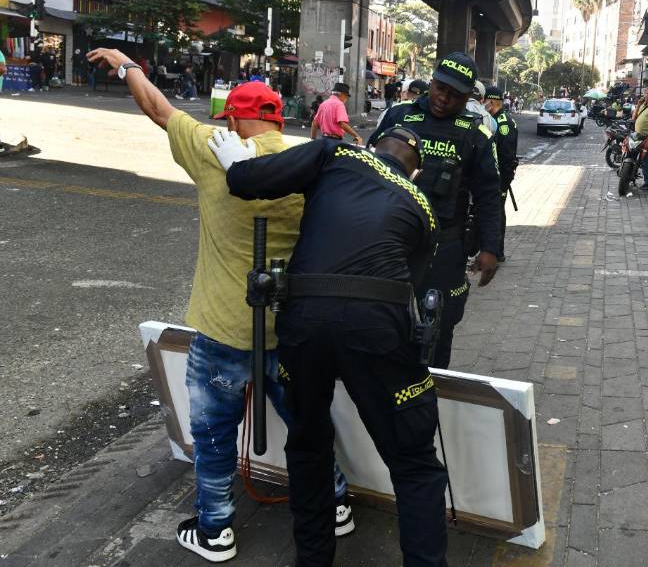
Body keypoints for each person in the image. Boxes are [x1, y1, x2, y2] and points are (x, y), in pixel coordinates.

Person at [84, 48, 350, 563]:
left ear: (231, 116)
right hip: (291, 331)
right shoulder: (310, 161)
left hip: (223, 331)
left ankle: (216, 530)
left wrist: (127, 64)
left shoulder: (213, 147)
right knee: (308, 425)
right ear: (278, 116)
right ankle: (335, 503)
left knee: (212, 435)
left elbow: (158, 108)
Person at [209, 125, 447, 567]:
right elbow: (410, 286)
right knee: (414, 464)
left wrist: (234, 166)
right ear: (415, 173)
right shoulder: (423, 208)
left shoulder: (336, 154)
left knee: (308, 445)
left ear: (372, 146)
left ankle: (313, 560)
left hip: (305, 320)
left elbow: (247, 182)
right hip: (377, 327)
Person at [370, 52, 502, 369]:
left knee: (440, 325)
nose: (444, 99)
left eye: (455, 95)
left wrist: (491, 248)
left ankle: (432, 392)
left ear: (468, 97)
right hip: (392, 239)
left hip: (445, 242)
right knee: (381, 318)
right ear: (432, 83)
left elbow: (488, 196)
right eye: (440, 89)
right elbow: (369, 169)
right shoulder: (398, 116)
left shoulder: (476, 133)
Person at [484, 84, 519, 262]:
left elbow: (507, 156)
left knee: (496, 213)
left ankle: (497, 251)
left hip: (500, 178)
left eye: (484, 102)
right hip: (495, 176)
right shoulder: (496, 119)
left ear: (491, 102)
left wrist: (504, 182)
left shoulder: (503, 124)